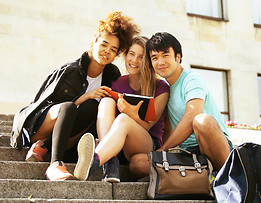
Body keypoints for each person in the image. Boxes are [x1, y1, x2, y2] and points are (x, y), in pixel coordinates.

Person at [10, 11, 140, 181]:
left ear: (116, 55)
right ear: (93, 43)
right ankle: (55, 164)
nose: (107, 51)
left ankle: (45, 148)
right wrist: (84, 97)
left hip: (68, 137)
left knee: (94, 107)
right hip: (41, 127)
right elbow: (43, 104)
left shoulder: (111, 75)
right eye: (104, 44)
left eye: (113, 49)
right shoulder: (70, 70)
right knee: (70, 106)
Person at [73, 36, 170, 181]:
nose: (134, 60)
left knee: (124, 119)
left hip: (147, 143)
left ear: (148, 61)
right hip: (120, 144)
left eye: (141, 57)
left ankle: (94, 161)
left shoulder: (161, 87)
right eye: (131, 54)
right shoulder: (118, 83)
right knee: (106, 101)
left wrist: (130, 112)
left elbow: (148, 125)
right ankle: (110, 162)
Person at [145, 32, 233, 171]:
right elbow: (166, 129)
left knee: (202, 121)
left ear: (178, 57)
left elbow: (192, 116)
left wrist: (164, 149)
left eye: (165, 55)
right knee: (139, 163)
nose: (160, 62)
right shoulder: (164, 90)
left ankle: (230, 176)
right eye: (154, 58)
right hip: (188, 153)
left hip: (215, 146)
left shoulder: (192, 79)